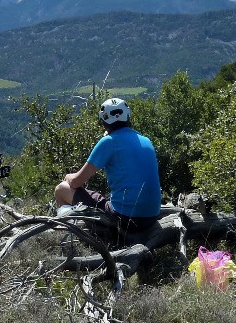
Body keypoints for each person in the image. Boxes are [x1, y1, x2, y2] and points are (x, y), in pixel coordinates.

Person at [54, 97, 162, 240]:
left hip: (125, 218)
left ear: (104, 121)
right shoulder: (145, 140)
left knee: (61, 189)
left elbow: (76, 182)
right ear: (128, 116)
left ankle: (68, 236)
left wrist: (68, 176)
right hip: (152, 216)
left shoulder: (108, 142)